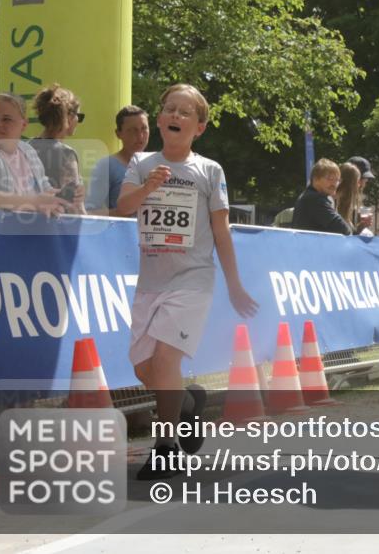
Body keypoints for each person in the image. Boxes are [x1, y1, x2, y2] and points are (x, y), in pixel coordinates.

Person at [116, 83, 258, 481]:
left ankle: (166, 447)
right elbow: (123, 207)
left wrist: (233, 283)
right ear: (159, 119)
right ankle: (187, 406)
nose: (175, 116)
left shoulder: (209, 170)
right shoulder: (142, 163)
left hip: (194, 278)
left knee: (164, 361)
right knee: (145, 368)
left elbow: (222, 230)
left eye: (185, 113)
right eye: (169, 110)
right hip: (151, 281)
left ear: (199, 127)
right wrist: (148, 188)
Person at [0, 93, 72, 215]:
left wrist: (62, 197)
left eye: (6, 119)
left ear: (23, 125)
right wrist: (34, 203)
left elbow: (44, 189)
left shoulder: (28, 151)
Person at [29, 84, 86, 214]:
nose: (78, 120)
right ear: (70, 117)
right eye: (79, 116)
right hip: (54, 228)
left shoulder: (24, 148)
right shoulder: (66, 154)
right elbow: (74, 206)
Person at [87, 106, 150, 215]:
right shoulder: (106, 166)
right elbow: (89, 212)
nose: (140, 136)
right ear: (118, 133)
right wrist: (123, 211)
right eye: (132, 130)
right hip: (122, 230)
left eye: (144, 128)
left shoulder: (157, 164)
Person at [289, 158, 351, 235]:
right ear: (315, 179)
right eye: (330, 179)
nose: (334, 184)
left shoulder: (310, 196)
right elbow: (344, 230)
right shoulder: (315, 199)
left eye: (337, 180)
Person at [346, 156, 375, 233]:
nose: (363, 183)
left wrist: (362, 225)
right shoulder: (338, 199)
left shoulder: (355, 201)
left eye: (365, 179)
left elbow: (352, 234)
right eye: (361, 178)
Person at [335, 162, 362, 235]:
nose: (359, 185)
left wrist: (361, 226)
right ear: (350, 184)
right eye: (357, 181)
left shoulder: (343, 204)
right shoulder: (332, 202)